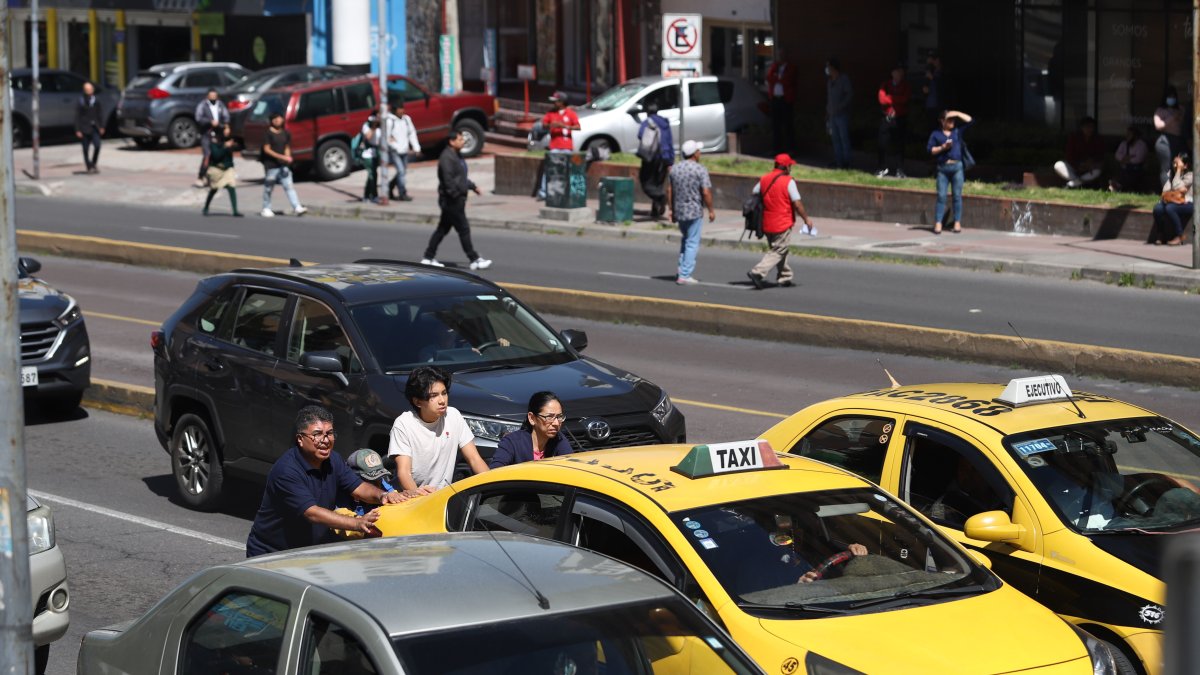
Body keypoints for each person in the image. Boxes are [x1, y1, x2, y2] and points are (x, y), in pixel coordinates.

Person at [245, 406, 409, 557]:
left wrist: (383, 496)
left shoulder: (333, 460)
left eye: (329, 433)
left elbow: (359, 487)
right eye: (317, 434)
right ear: (300, 439)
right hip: (271, 554)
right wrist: (356, 523)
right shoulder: (287, 470)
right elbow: (312, 513)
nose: (325, 440)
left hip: (306, 552)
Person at [388, 366, 490, 491]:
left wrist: (492, 484)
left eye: (444, 393)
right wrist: (419, 496)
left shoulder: (453, 415)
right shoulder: (404, 424)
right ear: (417, 402)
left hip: (444, 495)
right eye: (434, 395)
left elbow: (474, 459)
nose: (442, 400)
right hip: (412, 496)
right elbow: (404, 473)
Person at [422, 131, 492, 270]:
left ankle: (428, 257)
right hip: (451, 200)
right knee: (463, 229)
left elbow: (460, 177)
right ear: (451, 141)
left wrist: (472, 186)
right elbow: (448, 181)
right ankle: (474, 259)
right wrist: (456, 197)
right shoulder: (446, 158)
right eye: (460, 139)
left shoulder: (456, 155)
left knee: (442, 229)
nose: (463, 142)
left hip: (454, 199)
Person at [747, 153, 814, 289]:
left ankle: (784, 276)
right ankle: (757, 272)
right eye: (790, 166)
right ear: (785, 167)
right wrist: (806, 219)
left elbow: (755, 192)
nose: (791, 168)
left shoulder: (764, 179)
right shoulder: (788, 181)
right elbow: (797, 203)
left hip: (767, 222)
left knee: (779, 249)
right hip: (782, 222)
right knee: (779, 250)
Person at [665, 140, 714, 285]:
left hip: (680, 211)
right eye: (698, 151)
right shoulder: (700, 169)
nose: (700, 153)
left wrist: (671, 209)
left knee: (685, 240)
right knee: (692, 242)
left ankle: (681, 270)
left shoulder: (675, 169)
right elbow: (706, 192)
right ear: (694, 154)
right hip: (694, 211)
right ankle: (685, 275)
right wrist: (711, 210)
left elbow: (670, 190)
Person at [489, 392, 575, 468]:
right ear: (532, 418)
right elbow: (495, 472)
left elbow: (572, 467)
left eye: (559, 417)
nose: (556, 423)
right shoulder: (512, 443)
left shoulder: (559, 439)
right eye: (549, 417)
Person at [927, 109, 974, 234]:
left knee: (957, 196)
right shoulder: (936, 134)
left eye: (953, 119)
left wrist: (957, 113)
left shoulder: (957, 132)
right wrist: (943, 147)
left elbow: (970, 121)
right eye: (949, 119)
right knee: (941, 196)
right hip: (942, 169)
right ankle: (938, 222)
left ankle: (957, 222)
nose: (952, 122)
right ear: (942, 121)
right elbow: (930, 150)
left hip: (957, 167)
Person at [259, 112, 307, 218]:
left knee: (289, 186)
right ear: (271, 121)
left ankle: (296, 206)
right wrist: (281, 157)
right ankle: (266, 208)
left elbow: (286, 147)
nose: (277, 120)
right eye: (275, 119)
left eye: (279, 118)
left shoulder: (285, 133)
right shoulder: (268, 134)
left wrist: (287, 157)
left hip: (283, 165)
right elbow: (266, 149)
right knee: (268, 188)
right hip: (271, 165)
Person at [536, 91, 581, 200]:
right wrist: (551, 125)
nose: (554, 103)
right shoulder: (551, 113)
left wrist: (565, 126)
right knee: (549, 168)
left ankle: (570, 193)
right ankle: (543, 192)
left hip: (567, 147)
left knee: (568, 169)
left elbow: (578, 127)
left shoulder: (570, 113)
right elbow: (544, 125)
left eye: (556, 101)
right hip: (555, 146)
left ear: (562, 102)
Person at [636, 103, 674, 219]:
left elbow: (640, 135)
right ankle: (655, 210)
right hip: (665, 157)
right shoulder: (665, 123)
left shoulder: (647, 122)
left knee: (646, 182)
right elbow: (670, 141)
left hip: (651, 157)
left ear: (647, 112)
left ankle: (661, 198)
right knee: (658, 183)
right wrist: (670, 160)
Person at [1149, 152, 1193, 246]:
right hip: (1172, 201)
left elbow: (1176, 186)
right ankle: (1160, 234)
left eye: (1178, 163)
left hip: (1188, 203)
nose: (1175, 165)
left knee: (1170, 208)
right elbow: (1166, 190)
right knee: (1158, 209)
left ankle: (1180, 235)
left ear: (1185, 165)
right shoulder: (1171, 174)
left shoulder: (1190, 176)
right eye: (1174, 163)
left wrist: (1178, 171)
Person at [381, 101, 421, 203]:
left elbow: (412, 133)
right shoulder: (390, 121)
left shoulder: (406, 119)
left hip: (404, 150)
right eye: (400, 109)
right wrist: (395, 146)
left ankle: (391, 186)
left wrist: (416, 147)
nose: (402, 111)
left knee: (402, 172)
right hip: (395, 151)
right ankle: (402, 193)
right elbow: (386, 137)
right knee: (401, 171)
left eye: (402, 109)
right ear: (395, 110)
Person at [876, 63, 911, 178]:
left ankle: (899, 169)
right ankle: (882, 167)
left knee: (899, 144)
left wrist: (890, 99)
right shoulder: (885, 85)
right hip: (887, 117)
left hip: (900, 118)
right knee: (882, 143)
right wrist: (895, 100)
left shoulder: (905, 86)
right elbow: (882, 100)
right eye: (897, 71)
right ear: (892, 73)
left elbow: (905, 99)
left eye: (901, 72)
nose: (900, 74)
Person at [1053, 116, 1104, 188]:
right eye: (1087, 127)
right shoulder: (1074, 138)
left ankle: (1072, 184)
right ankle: (1077, 182)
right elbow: (1069, 155)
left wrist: (1091, 163)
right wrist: (1079, 165)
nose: (1089, 129)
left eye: (1091, 127)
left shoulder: (1097, 139)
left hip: (1089, 169)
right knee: (1058, 165)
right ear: (1082, 127)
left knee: (1097, 171)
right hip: (1075, 168)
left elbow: (1100, 156)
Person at [202, 126, 241, 217]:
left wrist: (234, 145)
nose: (228, 131)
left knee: (231, 187)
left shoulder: (229, 140)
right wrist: (225, 146)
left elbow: (238, 147)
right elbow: (216, 156)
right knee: (214, 189)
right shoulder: (214, 143)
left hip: (227, 169)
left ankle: (235, 210)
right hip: (217, 169)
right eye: (225, 129)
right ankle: (206, 207)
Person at [194, 88, 229, 188]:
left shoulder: (220, 105)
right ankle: (201, 176)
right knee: (207, 155)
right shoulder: (203, 105)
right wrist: (210, 122)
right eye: (211, 96)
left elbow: (226, 116)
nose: (213, 98)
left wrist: (226, 126)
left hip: (218, 133)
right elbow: (198, 117)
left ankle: (217, 178)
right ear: (207, 96)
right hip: (206, 133)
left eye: (215, 96)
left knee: (219, 155)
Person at [766, 47, 798, 154]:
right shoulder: (775, 66)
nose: (780, 57)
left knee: (788, 125)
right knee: (775, 125)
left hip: (786, 100)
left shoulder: (791, 67)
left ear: (786, 55)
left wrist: (777, 79)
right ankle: (776, 148)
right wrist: (778, 79)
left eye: (782, 55)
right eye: (779, 55)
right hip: (775, 99)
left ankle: (791, 149)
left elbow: (787, 81)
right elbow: (769, 77)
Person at [1154, 86, 1186, 186]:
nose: (1171, 99)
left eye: (1173, 97)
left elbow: (1186, 124)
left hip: (1179, 141)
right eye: (1169, 97)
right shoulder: (1160, 110)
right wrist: (1172, 118)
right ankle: (1166, 191)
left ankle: (1177, 190)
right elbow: (1158, 126)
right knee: (1166, 168)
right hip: (1164, 141)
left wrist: (1179, 117)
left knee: (1179, 167)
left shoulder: (1181, 109)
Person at [825, 58, 853, 170]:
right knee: (835, 139)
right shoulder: (830, 81)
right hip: (832, 115)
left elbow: (849, 95)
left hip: (842, 114)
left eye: (829, 67)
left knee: (844, 138)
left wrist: (841, 106)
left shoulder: (843, 79)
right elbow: (829, 98)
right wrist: (828, 111)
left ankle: (847, 161)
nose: (827, 69)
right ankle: (838, 161)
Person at [74, 81, 104, 174]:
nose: (89, 91)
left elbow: (100, 114)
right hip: (84, 128)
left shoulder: (96, 100)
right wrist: (78, 129)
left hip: (95, 127)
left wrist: (101, 126)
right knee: (85, 148)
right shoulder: (81, 101)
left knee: (97, 145)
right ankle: (88, 166)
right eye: (87, 90)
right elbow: (77, 116)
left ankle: (93, 163)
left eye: (90, 89)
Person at [1110, 125, 1149, 193]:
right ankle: (1116, 186)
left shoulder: (1141, 145)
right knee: (1119, 173)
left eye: (1129, 134)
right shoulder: (1124, 143)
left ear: (1135, 136)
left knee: (1130, 175)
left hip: (1137, 169)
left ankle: (1118, 187)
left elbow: (1138, 159)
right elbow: (1117, 155)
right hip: (1124, 168)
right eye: (1126, 134)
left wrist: (1125, 159)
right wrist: (1128, 157)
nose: (1127, 136)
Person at [355, 113, 382, 203]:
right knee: (372, 175)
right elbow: (368, 137)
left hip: (376, 153)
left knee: (374, 175)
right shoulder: (366, 125)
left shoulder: (380, 126)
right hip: (367, 154)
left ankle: (367, 196)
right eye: (378, 117)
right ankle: (373, 195)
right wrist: (373, 126)